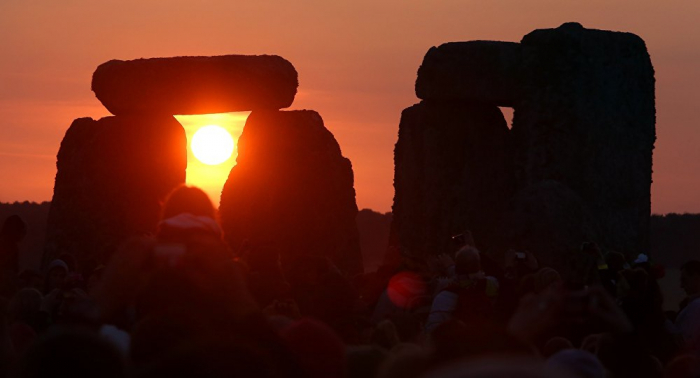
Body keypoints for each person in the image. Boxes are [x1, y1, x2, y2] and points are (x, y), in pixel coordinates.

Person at [425, 246, 498, 332]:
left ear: (456, 268)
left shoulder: (443, 297)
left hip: (457, 343)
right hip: (485, 341)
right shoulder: (493, 285)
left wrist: (439, 271)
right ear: (479, 266)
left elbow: (432, 330)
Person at [676, 260, 700, 352]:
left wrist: (664, 321)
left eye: (684, 280)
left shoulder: (697, 306)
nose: (681, 286)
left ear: (696, 278)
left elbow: (684, 342)